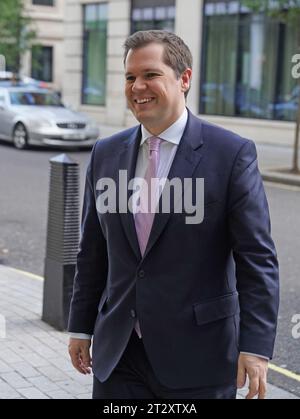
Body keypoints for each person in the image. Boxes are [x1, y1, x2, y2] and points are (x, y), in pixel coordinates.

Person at [68, 30, 279, 399]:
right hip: (119, 356)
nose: (138, 87)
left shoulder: (230, 154)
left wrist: (256, 347)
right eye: (130, 77)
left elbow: (257, 259)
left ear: (184, 79)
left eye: (150, 75)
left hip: (199, 356)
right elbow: (93, 252)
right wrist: (81, 328)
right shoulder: (105, 153)